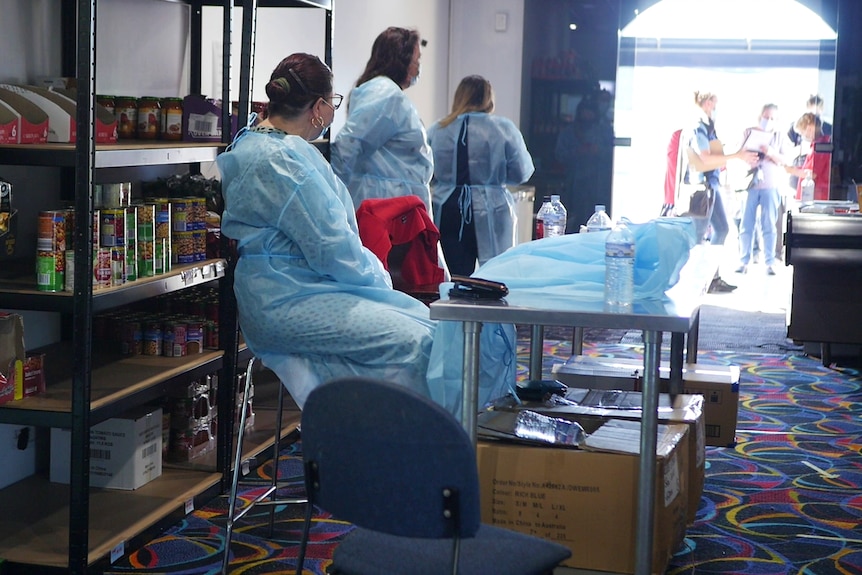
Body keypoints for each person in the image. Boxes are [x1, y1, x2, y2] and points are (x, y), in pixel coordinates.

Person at [217, 53, 437, 408]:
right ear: (319, 107)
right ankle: (390, 442)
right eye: (333, 104)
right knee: (423, 343)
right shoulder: (284, 163)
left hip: (285, 290)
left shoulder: (254, 143)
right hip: (290, 299)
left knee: (423, 324)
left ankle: (372, 434)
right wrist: (379, 278)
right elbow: (332, 250)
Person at [426, 75, 535, 276]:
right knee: (495, 274)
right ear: (488, 98)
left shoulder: (437, 129)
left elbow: (425, 171)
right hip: (492, 209)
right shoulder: (503, 128)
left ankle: (453, 308)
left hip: (447, 209)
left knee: (453, 277)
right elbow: (522, 172)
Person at [331, 27, 434, 211]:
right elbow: (349, 146)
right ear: (401, 60)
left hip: (395, 204)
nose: (418, 66)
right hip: (387, 207)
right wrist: (331, 200)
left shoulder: (388, 94)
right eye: (416, 59)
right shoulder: (384, 95)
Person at [683, 90, 757, 293]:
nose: (716, 108)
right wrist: (737, 156)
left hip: (711, 185)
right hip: (703, 188)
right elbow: (705, 158)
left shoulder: (706, 126)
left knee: (721, 229)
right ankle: (697, 280)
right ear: (707, 103)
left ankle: (710, 277)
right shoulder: (698, 126)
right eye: (714, 103)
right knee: (698, 236)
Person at [735, 103, 792, 276]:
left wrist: (771, 153)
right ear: (760, 116)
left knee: (769, 224)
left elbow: (785, 160)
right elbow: (738, 153)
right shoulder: (749, 132)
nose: (768, 121)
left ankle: (769, 262)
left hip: (770, 185)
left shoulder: (779, 136)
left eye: (772, 118)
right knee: (746, 224)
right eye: (766, 117)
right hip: (750, 186)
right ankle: (743, 260)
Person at [554, 95, 615, 232]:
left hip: (601, 186)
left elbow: (616, 155)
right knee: (576, 224)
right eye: (584, 111)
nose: (587, 114)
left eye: (590, 111)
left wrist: (599, 151)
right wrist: (578, 152)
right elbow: (559, 155)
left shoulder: (605, 131)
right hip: (575, 186)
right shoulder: (570, 132)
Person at [788, 112, 832, 201]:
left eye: (802, 132)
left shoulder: (821, 147)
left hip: (817, 196)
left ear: (810, 127)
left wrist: (791, 170)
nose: (803, 136)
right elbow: (808, 168)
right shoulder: (816, 145)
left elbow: (812, 174)